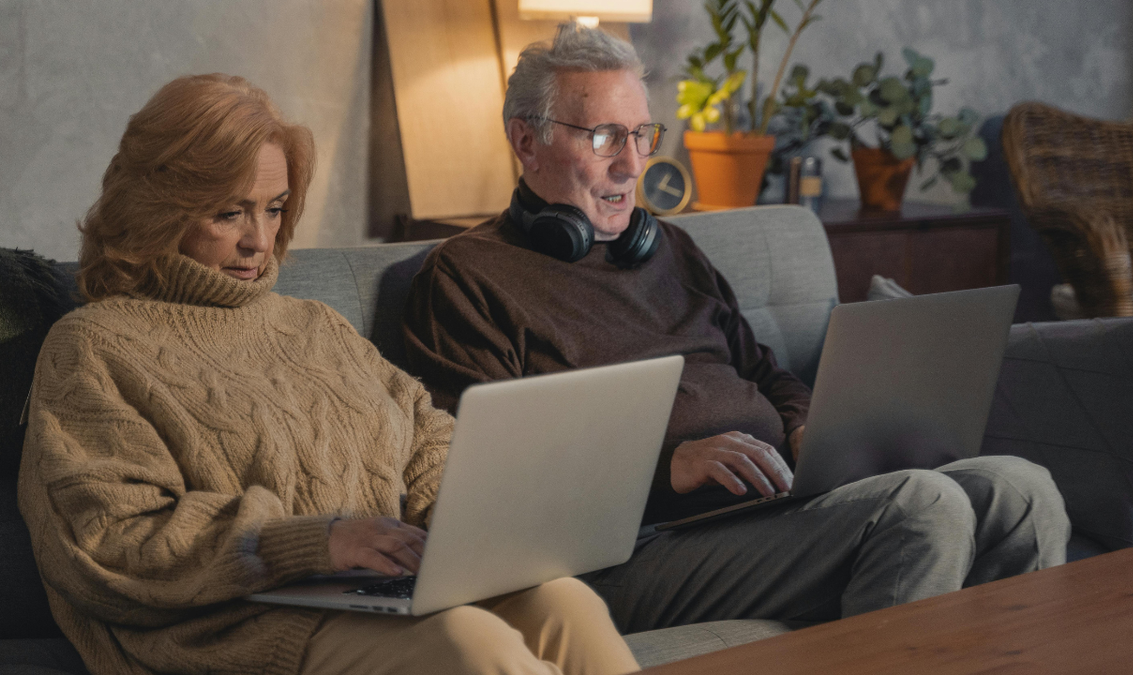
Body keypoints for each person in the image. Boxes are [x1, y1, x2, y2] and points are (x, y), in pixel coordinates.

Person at [403, 24, 1072, 634]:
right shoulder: (467, 277)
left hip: (772, 500)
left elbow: (767, 372)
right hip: (633, 549)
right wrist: (668, 465)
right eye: (603, 136)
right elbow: (483, 487)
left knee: (1019, 487)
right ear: (527, 140)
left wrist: (812, 427)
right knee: (923, 505)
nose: (632, 165)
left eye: (642, 135)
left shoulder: (668, 248)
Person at [17, 73, 638, 675]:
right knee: (466, 642)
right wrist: (316, 542)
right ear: (158, 209)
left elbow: (423, 434)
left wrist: (462, 517)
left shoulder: (314, 325)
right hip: (229, 625)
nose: (260, 241)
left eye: (275, 209)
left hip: (376, 593)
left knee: (564, 602)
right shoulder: (94, 347)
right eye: (230, 213)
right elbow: (108, 542)